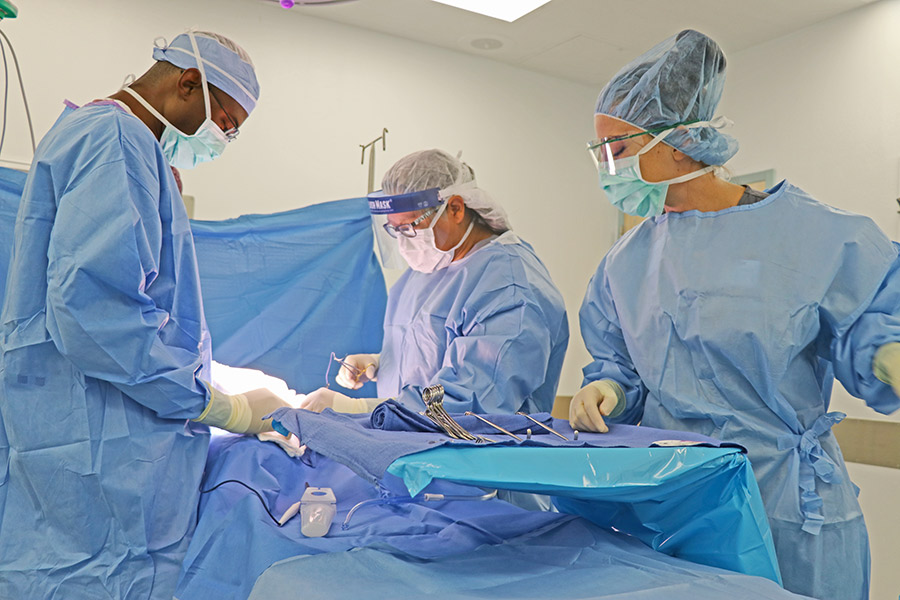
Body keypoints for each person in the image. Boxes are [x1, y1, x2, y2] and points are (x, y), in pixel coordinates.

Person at [572, 29, 900, 600]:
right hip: (674, 503)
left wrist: (885, 352)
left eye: (617, 149)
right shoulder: (626, 261)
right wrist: (606, 385)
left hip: (786, 509)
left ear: (678, 144)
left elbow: (870, 328)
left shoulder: (817, 236)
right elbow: (619, 359)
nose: (606, 167)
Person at [0, 30, 291, 599]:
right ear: (188, 83)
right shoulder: (115, 140)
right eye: (226, 124)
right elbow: (94, 312)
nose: (223, 139)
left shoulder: (106, 137)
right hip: (102, 445)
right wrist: (217, 405)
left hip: (83, 423)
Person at [301, 149, 569, 416]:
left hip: (477, 454)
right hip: (411, 445)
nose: (405, 240)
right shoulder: (427, 269)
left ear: (455, 209)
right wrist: (382, 363)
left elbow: (473, 400)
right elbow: (436, 352)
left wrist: (357, 408)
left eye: (410, 226)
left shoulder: (509, 287)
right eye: (395, 230)